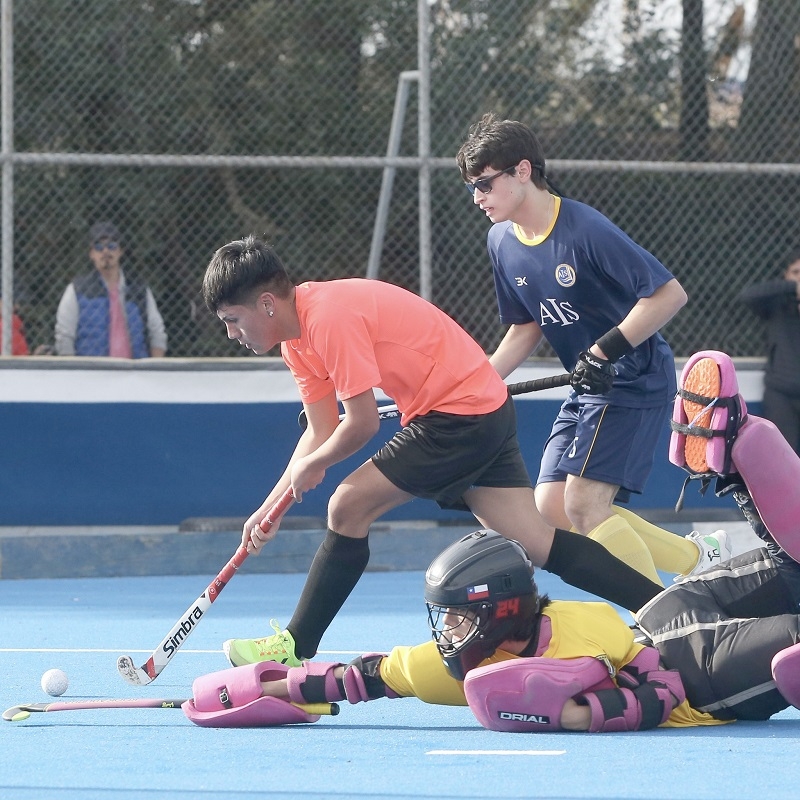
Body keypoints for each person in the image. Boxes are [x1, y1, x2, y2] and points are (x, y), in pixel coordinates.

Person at [201, 235, 668, 670]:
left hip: (457, 415)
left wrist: (316, 465)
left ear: (266, 304)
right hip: (481, 407)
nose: (231, 334)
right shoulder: (296, 342)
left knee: (347, 505)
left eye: (232, 321)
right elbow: (321, 430)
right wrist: (270, 508)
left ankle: (295, 647)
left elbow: (359, 423)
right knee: (538, 542)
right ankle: (671, 613)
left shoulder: (327, 318)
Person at [454, 113, 723, 589]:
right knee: (552, 511)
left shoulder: (584, 229)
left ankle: (665, 616)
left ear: (521, 171)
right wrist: (474, 387)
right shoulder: (501, 240)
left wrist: (603, 351)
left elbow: (668, 295)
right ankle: (698, 558)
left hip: (634, 378)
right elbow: (524, 329)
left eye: (484, 184)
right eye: (472, 187)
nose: (477, 198)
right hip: (589, 389)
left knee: (583, 504)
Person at [217, 529, 800, 733]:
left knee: (785, 561)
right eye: (443, 617)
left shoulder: (586, 627)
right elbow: (365, 678)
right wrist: (277, 687)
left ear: (500, 612)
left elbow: (658, 688)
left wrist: (578, 715)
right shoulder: (458, 669)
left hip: (671, 636)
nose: (447, 631)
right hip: (708, 678)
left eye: (458, 616)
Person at [54, 221, 167, 358]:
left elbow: (157, 332)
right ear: (91, 254)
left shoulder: (138, 291)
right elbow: (64, 336)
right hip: (92, 374)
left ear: (120, 251)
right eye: (99, 247)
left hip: (134, 374)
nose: (106, 251)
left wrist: (154, 369)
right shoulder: (77, 290)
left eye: (112, 246)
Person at [738, 249, 800, 453]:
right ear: (786, 275)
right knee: (781, 455)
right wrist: (793, 287)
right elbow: (748, 296)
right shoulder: (777, 303)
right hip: (781, 394)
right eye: (796, 272)